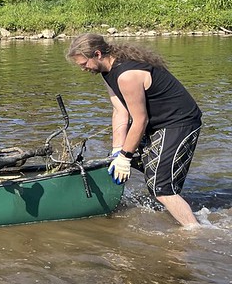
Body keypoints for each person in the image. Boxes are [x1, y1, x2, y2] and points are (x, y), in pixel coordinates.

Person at [66, 33, 202, 228]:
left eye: (83, 63)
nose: (82, 69)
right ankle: (171, 197)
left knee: (160, 187)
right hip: (157, 123)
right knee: (119, 162)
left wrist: (125, 157)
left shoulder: (127, 75)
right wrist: (117, 150)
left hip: (179, 122)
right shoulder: (107, 72)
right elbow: (119, 111)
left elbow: (139, 120)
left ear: (97, 54)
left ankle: (194, 231)